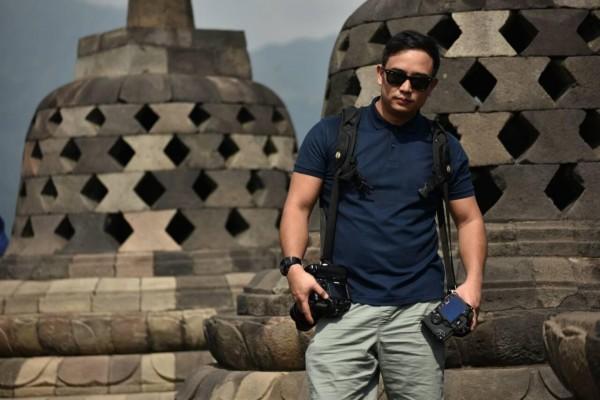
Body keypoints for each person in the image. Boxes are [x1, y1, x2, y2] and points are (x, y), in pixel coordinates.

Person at [279, 30, 487, 399]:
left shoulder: (443, 147)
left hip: (417, 310)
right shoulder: (332, 135)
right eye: (397, 76)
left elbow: (469, 219)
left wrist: (473, 284)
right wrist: (294, 267)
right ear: (380, 74)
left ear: (431, 87)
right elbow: (298, 205)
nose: (406, 88)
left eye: (418, 81)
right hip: (344, 305)